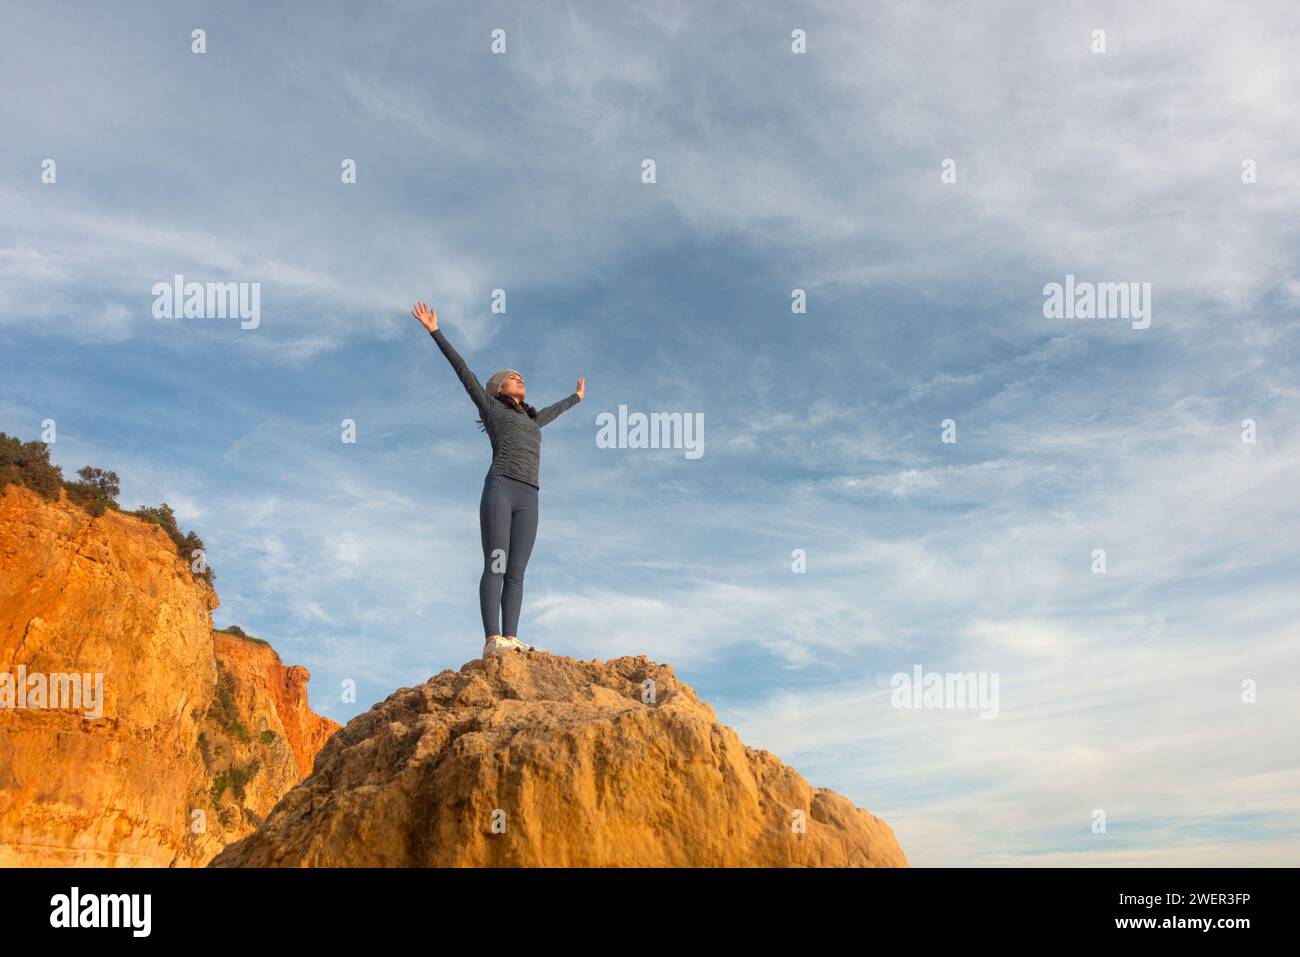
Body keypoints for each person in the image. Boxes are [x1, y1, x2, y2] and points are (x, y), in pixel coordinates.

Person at [410, 301, 584, 659]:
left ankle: (511, 637)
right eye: (511, 377)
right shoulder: (490, 408)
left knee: (518, 570)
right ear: (498, 389)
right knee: (497, 562)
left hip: (530, 496)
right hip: (501, 487)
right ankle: (492, 640)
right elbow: (463, 371)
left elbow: (557, 409)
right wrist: (434, 331)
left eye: (521, 376)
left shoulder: (533, 420)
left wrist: (577, 397)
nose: (519, 378)